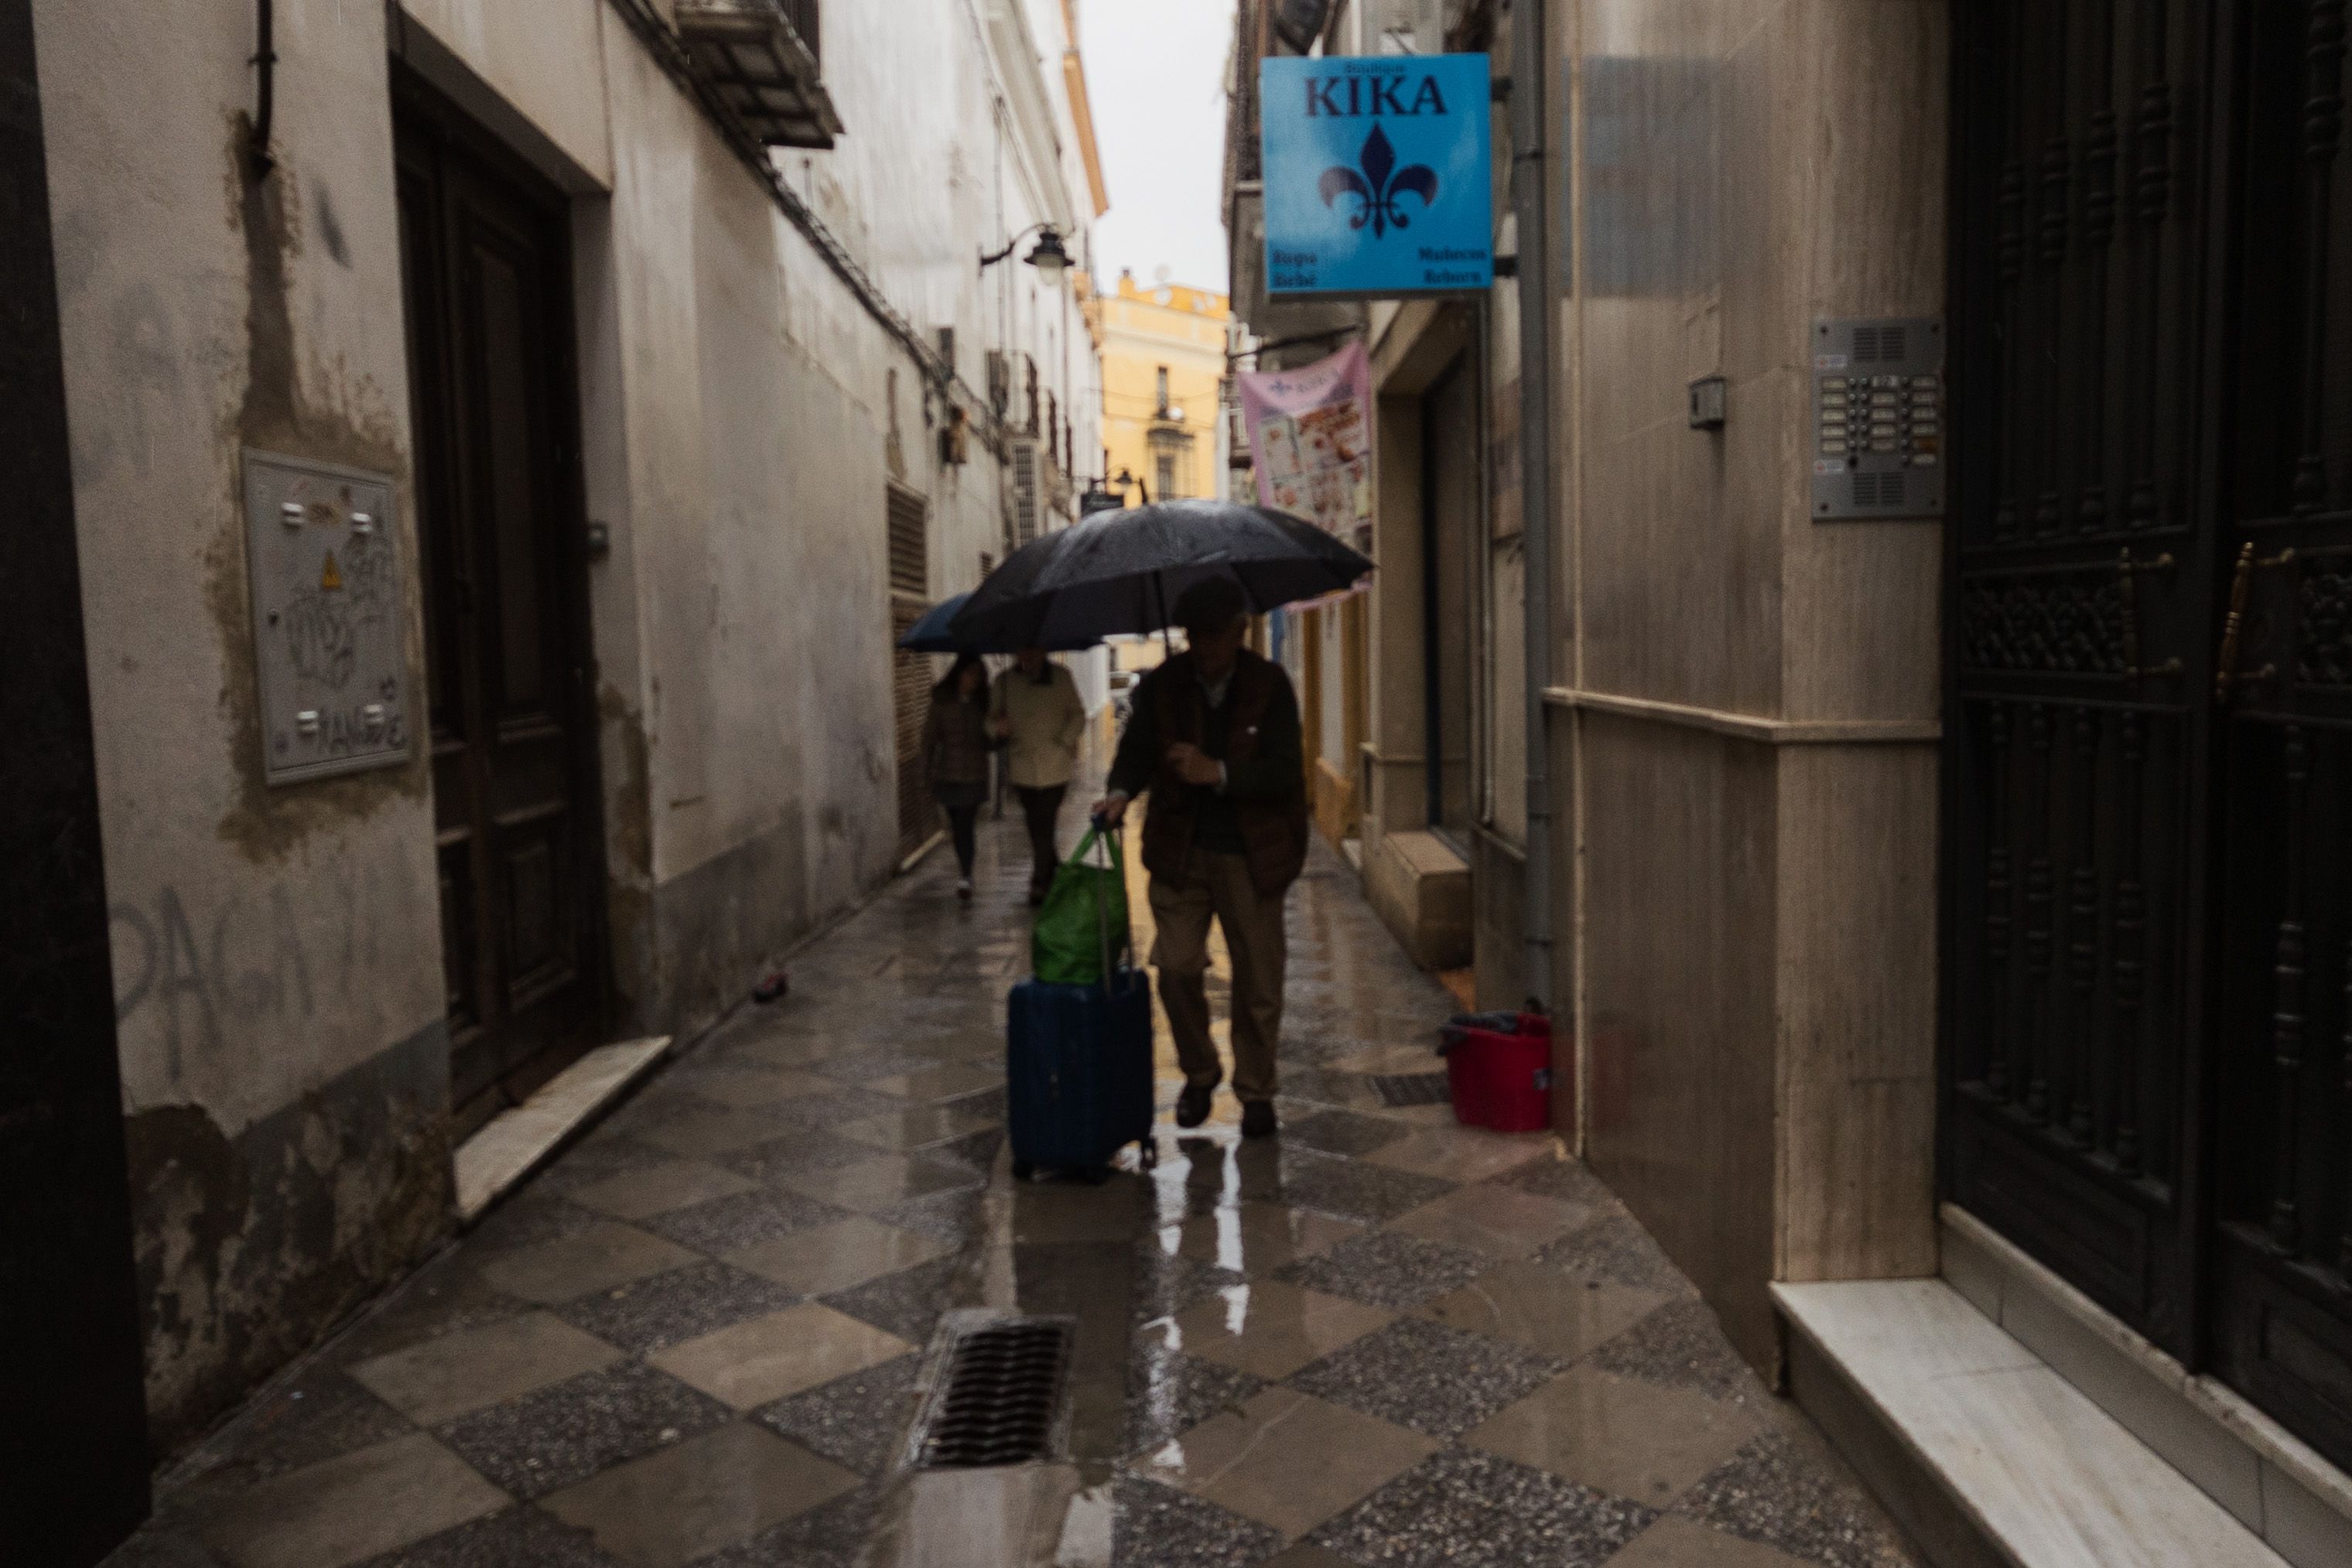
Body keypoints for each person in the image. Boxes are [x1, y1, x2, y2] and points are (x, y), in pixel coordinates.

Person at [1094, 578, 1307, 1137]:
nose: (1205, 650)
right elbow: (1136, 748)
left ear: (1239, 632)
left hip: (1253, 856)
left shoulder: (1269, 684)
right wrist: (1119, 791)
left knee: (1259, 982)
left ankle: (1257, 1090)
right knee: (1176, 966)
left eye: (1215, 636)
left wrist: (1221, 772)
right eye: (1195, 637)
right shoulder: (1166, 684)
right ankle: (1200, 1070)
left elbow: (1286, 771)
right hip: (1180, 850)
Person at [990, 647, 1089, 906]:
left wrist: (1064, 741)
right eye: (1022, 651)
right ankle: (1052, 869)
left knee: (1045, 821)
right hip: (1022, 767)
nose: (1027, 656)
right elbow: (989, 720)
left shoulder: (1062, 677)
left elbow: (1078, 714)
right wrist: (997, 728)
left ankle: (1040, 880)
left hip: (1055, 767)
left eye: (1032, 650)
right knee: (1036, 824)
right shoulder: (1004, 682)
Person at [921, 654, 994, 900]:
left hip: (974, 775)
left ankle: (966, 875)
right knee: (957, 827)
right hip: (948, 776)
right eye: (970, 673)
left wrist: (999, 733)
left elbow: (991, 741)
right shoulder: (941, 702)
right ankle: (965, 871)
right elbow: (929, 739)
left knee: (965, 825)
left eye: (978, 675)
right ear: (959, 674)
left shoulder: (983, 704)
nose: (973, 680)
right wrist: (925, 773)